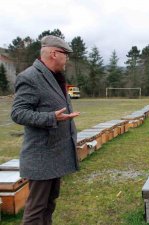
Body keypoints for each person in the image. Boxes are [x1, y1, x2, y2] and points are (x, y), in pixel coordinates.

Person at [11, 35, 80, 225]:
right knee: (36, 210)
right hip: (41, 157)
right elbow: (18, 113)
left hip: (55, 155)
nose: (67, 59)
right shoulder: (30, 77)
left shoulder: (55, 76)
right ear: (54, 53)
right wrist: (51, 117)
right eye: (65, 54)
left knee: (49, 204)